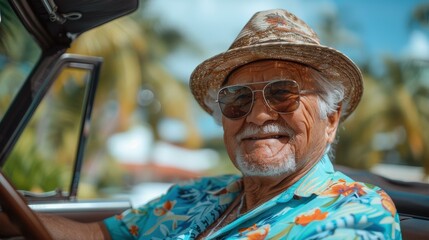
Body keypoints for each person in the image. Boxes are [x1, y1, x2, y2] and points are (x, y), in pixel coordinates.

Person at [1, 8, 401, 239]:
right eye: (237, 99)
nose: (258, 115)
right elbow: (100, 236)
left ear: (331, 118)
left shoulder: (356, 211)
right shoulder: (197, 194)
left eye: (283, 93)